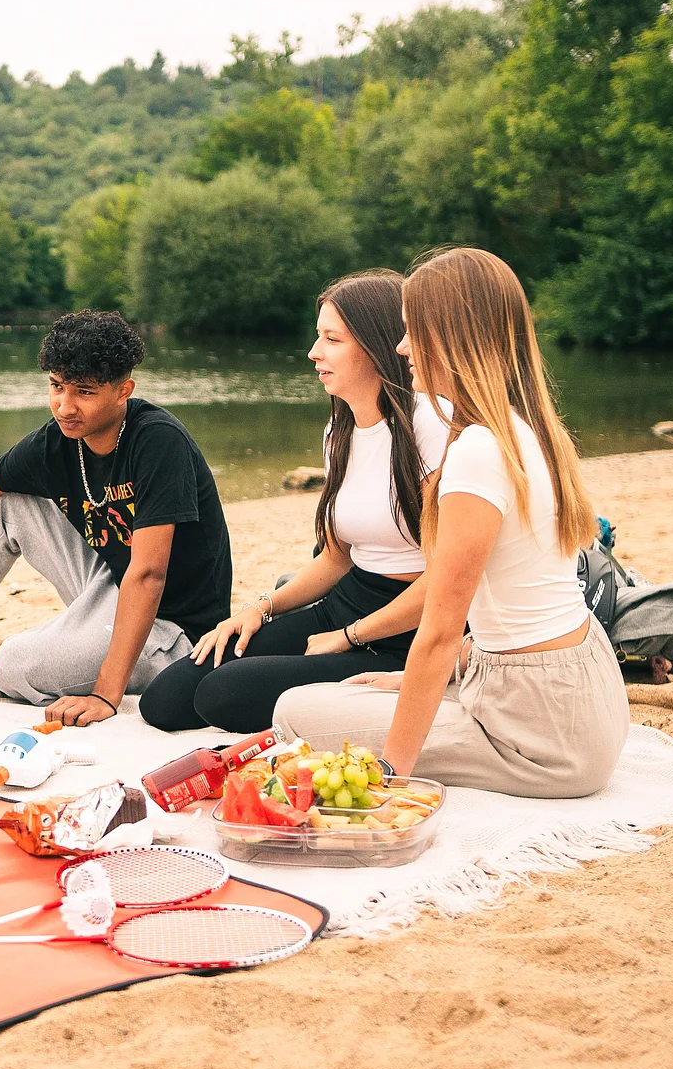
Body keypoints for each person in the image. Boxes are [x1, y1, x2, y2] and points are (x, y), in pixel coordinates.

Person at [273, 248, 628, 797]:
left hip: (541, 731)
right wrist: (418, 682)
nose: (400, 347)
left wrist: (389, 775)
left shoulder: (476, 452)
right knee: (360, 693)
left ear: (454, 335)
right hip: (578, 689)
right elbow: (510, 611)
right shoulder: (521, 431)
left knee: (294, 712)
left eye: (414, 332)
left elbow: (439, 633)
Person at [0, 310, 233, 726]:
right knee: (4, 504)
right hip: (110, 586)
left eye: (84, 392)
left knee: (15, 666)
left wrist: (106, 694)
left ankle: (59, 651)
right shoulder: (58, 439)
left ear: (124, 390)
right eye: (56, 387)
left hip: (172, 629)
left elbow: (149, 575)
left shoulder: (159, 441)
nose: (64, 407)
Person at [140, 270, 447, 733]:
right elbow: (335, 558)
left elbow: (449, 580)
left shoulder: (434, 428)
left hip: (410, 627)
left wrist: (348, 639)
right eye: (316, 337)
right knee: (165, 701)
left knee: (222, 694)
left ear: (377, 344)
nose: (314, 353)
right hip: (348, 602)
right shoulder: (338, 432)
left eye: (331, 339)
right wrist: (259, 609)